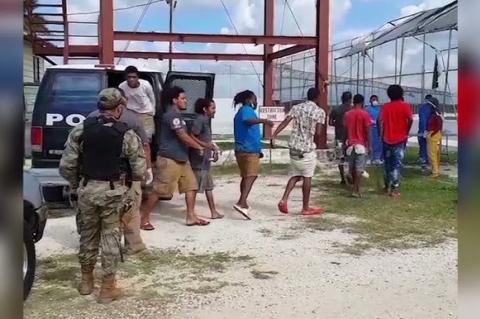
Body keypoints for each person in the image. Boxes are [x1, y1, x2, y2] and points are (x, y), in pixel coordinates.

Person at [59, 88, 146, 303]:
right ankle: (107, 288)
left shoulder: (80, 130)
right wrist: (133, 186)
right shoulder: (126, 134)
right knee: (110, 236)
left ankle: (86, 281)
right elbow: (139, 167)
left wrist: (74, 184)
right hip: (113, 192)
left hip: (87, 190)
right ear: (119, 109)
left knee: (87, 235)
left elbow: (67, 165)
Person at [140, 86, 214, 229]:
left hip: (182, 159)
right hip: (169, 159)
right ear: (174, 100)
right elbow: (182, 135)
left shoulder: (178, 116)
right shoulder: (171, 116)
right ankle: (144, 219)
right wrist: (199, 147)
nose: (186, 101)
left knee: (191, 187)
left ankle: (191, 217)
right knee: (159, 191)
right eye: (183, 98)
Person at [88, 88, 151, 255]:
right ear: (121, 105)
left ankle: (98, 246)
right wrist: (143, 174)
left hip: (92, 178)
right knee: (130, 212)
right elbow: (143, 147)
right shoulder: (132, 119)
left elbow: (71, 160)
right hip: (124, 178)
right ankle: (133, 246)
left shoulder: (89, 119)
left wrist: (76, 182)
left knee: (96, 216)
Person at [272, 87, 326, 215]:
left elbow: (286, 121)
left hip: (294, 148)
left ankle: (284, 200)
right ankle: (305, 208)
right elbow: (318, 132)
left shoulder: (297, 107)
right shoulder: (319, 112)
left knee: (296, 175)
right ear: (317, 97)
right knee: (307, 177)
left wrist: (275, 135)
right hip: (306, 149)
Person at [233, 90, 274, 219]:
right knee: (252, 175)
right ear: (249, 100)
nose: (256, 102)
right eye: (254, 99)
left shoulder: (240, 112)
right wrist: (264, 121)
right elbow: (248, 121)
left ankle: (243, 203)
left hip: (243, 148)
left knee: (246, 176)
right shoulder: (246, 110)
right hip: (248, 150)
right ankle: (241, 202)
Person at [189, 98, 223, 219]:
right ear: (205, 109)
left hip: (205, 161)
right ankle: (191, 213)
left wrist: (213, 147)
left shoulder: (205, 121)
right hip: (199, 160)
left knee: (208, 187)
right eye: (212, 108)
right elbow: (191, 136)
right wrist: (204, 146)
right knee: (194, 188)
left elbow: (206, 139)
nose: (215, 111)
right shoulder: (200, 120)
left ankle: (213, 212)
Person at [379, 85, 413, 198]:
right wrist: (406, 131)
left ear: (389, 95)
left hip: (387, 139)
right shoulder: (405, 106)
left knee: (387, 164)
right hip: (400, 140)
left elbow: (380, 121)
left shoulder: (386, 107)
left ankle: (386, 186)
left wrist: (381, 134)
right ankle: (394, 189)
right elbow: (411, 119)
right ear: (401, 94)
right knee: (396, 165)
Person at [344, 94, 372, 198]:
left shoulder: (347, 114)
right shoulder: (365, 114)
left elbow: (345, 130)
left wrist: (344, 143)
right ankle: (356, 189)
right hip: (361, 145)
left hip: (350, 145)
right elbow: (368, 131)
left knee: (352, 169)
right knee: (359, 169)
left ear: (353, 102)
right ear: (362, 102)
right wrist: (370, 146)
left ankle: (354, 187)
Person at [118, 65, 156, 142]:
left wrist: (152, 112)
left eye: (134, 77)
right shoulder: (122, 86)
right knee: (130, 138)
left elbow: (152, 98)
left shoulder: (145, 84)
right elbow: (121, 101)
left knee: (147, 138)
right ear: (125, 77)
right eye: (129, 77)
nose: (131, 79)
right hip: (131, 113)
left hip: (146, 113)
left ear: (138, 77)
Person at [329, 91, 352, 184]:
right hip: (351, 138)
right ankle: (350, 175)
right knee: (351, 158)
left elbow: (330, 123)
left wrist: (337, 124)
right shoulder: (352, 109)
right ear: (350, 99)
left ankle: (342, 178)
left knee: (340, 158)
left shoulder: (336, 109)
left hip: (339, 136)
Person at [426, 97, 443, 178]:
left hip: (434, 135)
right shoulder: (435, 113)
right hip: (434, 134)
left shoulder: (436, 114)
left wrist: (431, 133)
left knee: (432, 154)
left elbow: (439, 125)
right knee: (432, 153)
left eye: (429, 104)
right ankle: (434, 170)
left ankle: (435, 172)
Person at [418, 94, 435, 169]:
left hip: (426, 130)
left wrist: (424, 129)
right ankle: (426, 161)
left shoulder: (425, 108)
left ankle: (424, 161)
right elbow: (423, 119)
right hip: (428, 130)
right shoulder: (431, 108)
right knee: (427, 146)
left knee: (424, 146)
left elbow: (423, 119)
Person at [365, 94, 383, 164]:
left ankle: (377, 158)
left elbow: (381, 118)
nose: (374, 101)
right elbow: (366, 118)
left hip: (378, 129)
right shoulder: (367, 109)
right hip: (370, 128)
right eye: (373, 100)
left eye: (376, 100)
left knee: (378, 143)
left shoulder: (380, 109)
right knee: (370, 143)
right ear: (370, 101)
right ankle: (369, 158)